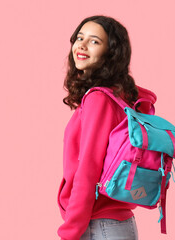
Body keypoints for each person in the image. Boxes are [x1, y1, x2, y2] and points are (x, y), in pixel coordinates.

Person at [57, 15, 157, 240]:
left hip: (97, 226)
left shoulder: (99, 99)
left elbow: (88, 168)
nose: (81, 45)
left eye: (94, 41)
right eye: (79, 38)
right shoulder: (120, 96)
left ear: (110, 53)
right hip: (114, 224)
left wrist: (70, 231)